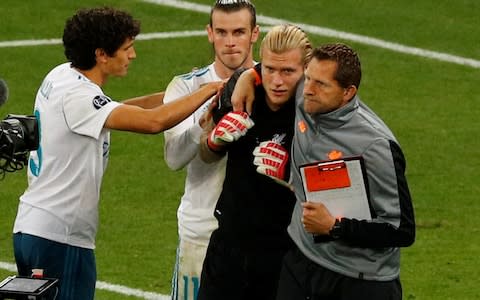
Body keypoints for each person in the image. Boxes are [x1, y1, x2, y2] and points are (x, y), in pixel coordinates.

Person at [11, 7, 222, 300]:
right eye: (127, 48)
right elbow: (153, 122)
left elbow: (122, 108)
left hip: (32, 228)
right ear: (101, 54)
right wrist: (213, 89)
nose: (132, 55)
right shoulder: (80, 97)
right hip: (61, 237)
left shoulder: (61, 76)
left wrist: (186, 90)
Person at [234, 43, 416, 300]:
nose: (307, 89)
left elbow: (401, 230)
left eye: (321, 84)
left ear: (348, 92)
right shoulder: (304, 96)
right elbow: (278, 68)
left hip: (359, 280)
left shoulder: (375, 146)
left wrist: (335, 227)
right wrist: (246, 76)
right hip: (301, 261)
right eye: (308, 77)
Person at [196, 24, 312, 300]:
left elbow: (334, 185)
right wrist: (214, 140)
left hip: (285, 251)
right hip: (229, 244)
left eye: (288, 72)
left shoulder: (315, 113)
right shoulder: (240, 92)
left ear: (306, 70)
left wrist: (291, 175)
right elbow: (207, 153)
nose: (277, 81)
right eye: (269, 69)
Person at [162, 1, 259, 299]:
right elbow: (174, 158)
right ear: (209, 33)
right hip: (201, 230)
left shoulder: (274, 84)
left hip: (260, 234)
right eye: (222, 32)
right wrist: (202, 127)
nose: (230, 42)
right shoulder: (185, 88)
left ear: (255, 34)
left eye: (239, 32)